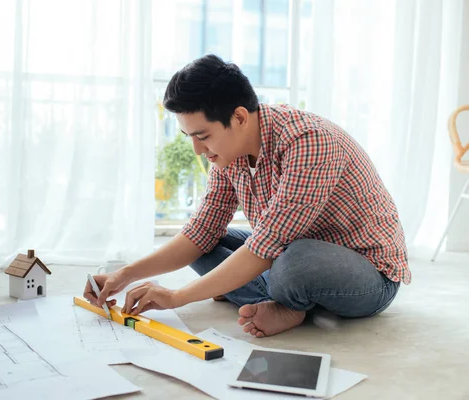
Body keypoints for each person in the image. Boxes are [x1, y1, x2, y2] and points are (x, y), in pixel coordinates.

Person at [83, 54, 411, 337]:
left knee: (291, 264)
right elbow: (200, 232)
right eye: (189, 137)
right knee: (206, 245)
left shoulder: (308, 141)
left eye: (203, 136)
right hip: (285, 250)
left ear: (239, 117)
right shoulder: (228, 154)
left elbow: (270, 243)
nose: (198, 150)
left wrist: (178, 296)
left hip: (367, 274)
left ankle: (284, 302)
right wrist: (123, 275)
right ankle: (276, 298)